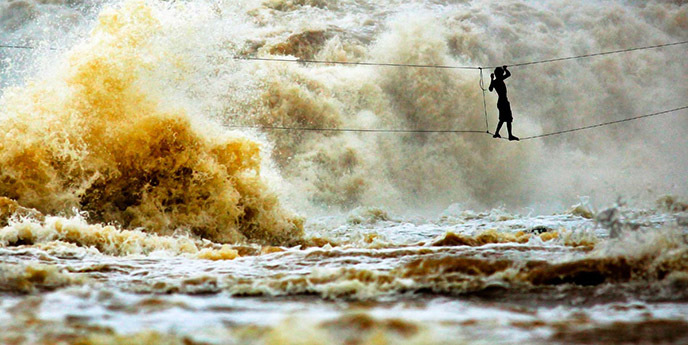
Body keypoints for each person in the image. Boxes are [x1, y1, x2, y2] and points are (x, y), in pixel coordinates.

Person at [489, 65, 518, 141]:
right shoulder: (500, 79)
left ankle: (497, 133)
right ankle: (510, 135)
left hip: (500, 102)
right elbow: (508, 74)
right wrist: (505, 69)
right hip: (504, 102)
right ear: (500, 74)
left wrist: (491, 79)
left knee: (502, 119)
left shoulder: (495, 81)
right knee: (508, 119)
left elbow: (490, 89)